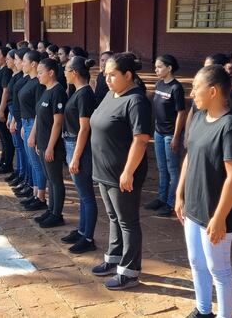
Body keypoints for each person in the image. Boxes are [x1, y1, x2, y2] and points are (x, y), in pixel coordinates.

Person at [176, 64, 232, 318]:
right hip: (193, 204)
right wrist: (179, 193)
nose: (192, 93)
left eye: (196, 88)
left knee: (220, 269)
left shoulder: (229, 125)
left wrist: (219, 217)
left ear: (213, 91)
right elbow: (189, 158)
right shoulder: (200, 118)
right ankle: (203, 310)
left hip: (216, 210)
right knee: (196, 263)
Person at [89, 52, 153, 290]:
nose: (107, 79)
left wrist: (128, 172)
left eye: (113, 75)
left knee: (128, 222)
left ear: (128, 75)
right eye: (106, 75)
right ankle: (114, 259)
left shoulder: (136, 101)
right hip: (104, 170)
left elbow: (141, 139)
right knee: (113, 217)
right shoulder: (110, 94)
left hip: (122, 173)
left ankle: (130, 272)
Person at [60, 56, 98, 253]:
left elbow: (84, 128)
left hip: (78, 146)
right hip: (72, 143)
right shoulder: (78, 92)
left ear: (74, 72)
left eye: (66, 69)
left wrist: (75, 156)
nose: (64, 73)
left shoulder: (84, 95)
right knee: (82, 194)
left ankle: (88, 237)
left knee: (87, 196)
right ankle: (82, 230)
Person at [145, 54, 186, 217]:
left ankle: (171, 202)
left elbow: (181, 114)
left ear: (169, 68)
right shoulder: (159, 83)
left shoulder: (176, 88)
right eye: (155, 67)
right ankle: (162, 198)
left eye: (160, 66)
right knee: (162, 168)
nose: (156, 69)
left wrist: (176, 137)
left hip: (170, 134)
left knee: (173, 169)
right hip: (159, 133)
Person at [30, 58, 68, 228]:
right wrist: (37, 139)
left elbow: (58, 122)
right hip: (43, 142)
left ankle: (57, 214)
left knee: (55, 180)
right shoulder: (46, 90)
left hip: (53, 145)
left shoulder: (58, 91)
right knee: (50, 179)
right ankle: (51, 209)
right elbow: (40, 117)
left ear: (51, 72)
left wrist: (51, 146)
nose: (38, 75)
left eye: (40, 72)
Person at [18, 50, 47, 210]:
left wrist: (33, 133)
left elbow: (38, 111)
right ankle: (35, 193)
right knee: (32, 162)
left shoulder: (38, 84)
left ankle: (40, 197)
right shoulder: (28, 80)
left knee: (36, 164)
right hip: (26, 123)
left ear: (33, 64)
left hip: (33, 124)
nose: (22, 64)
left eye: (24, 61)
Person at [8, 48, 32, 191]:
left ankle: (28, 180)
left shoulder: (29, 80)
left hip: (24, 119)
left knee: (27, 153)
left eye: (19, 59)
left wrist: (16, 119)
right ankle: (22, 174)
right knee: (19, 148)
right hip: (17, 116)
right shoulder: (20, 77)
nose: (17, 62)